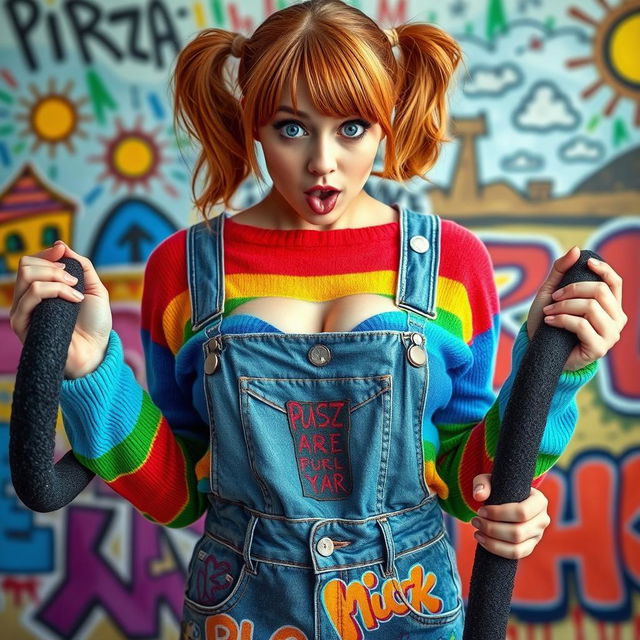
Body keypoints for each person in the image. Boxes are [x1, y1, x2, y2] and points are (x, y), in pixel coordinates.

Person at [9, 1, 626, 638]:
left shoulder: (454, 262)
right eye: (292, 128)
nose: (323, 162)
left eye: (353, 127)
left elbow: (466, 482)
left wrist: (558, 379)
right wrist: (87, 370)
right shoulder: (184, 269)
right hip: (240, 612)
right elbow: (177, 493)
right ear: (254, 125)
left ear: (386, 123)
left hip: (407, 608)